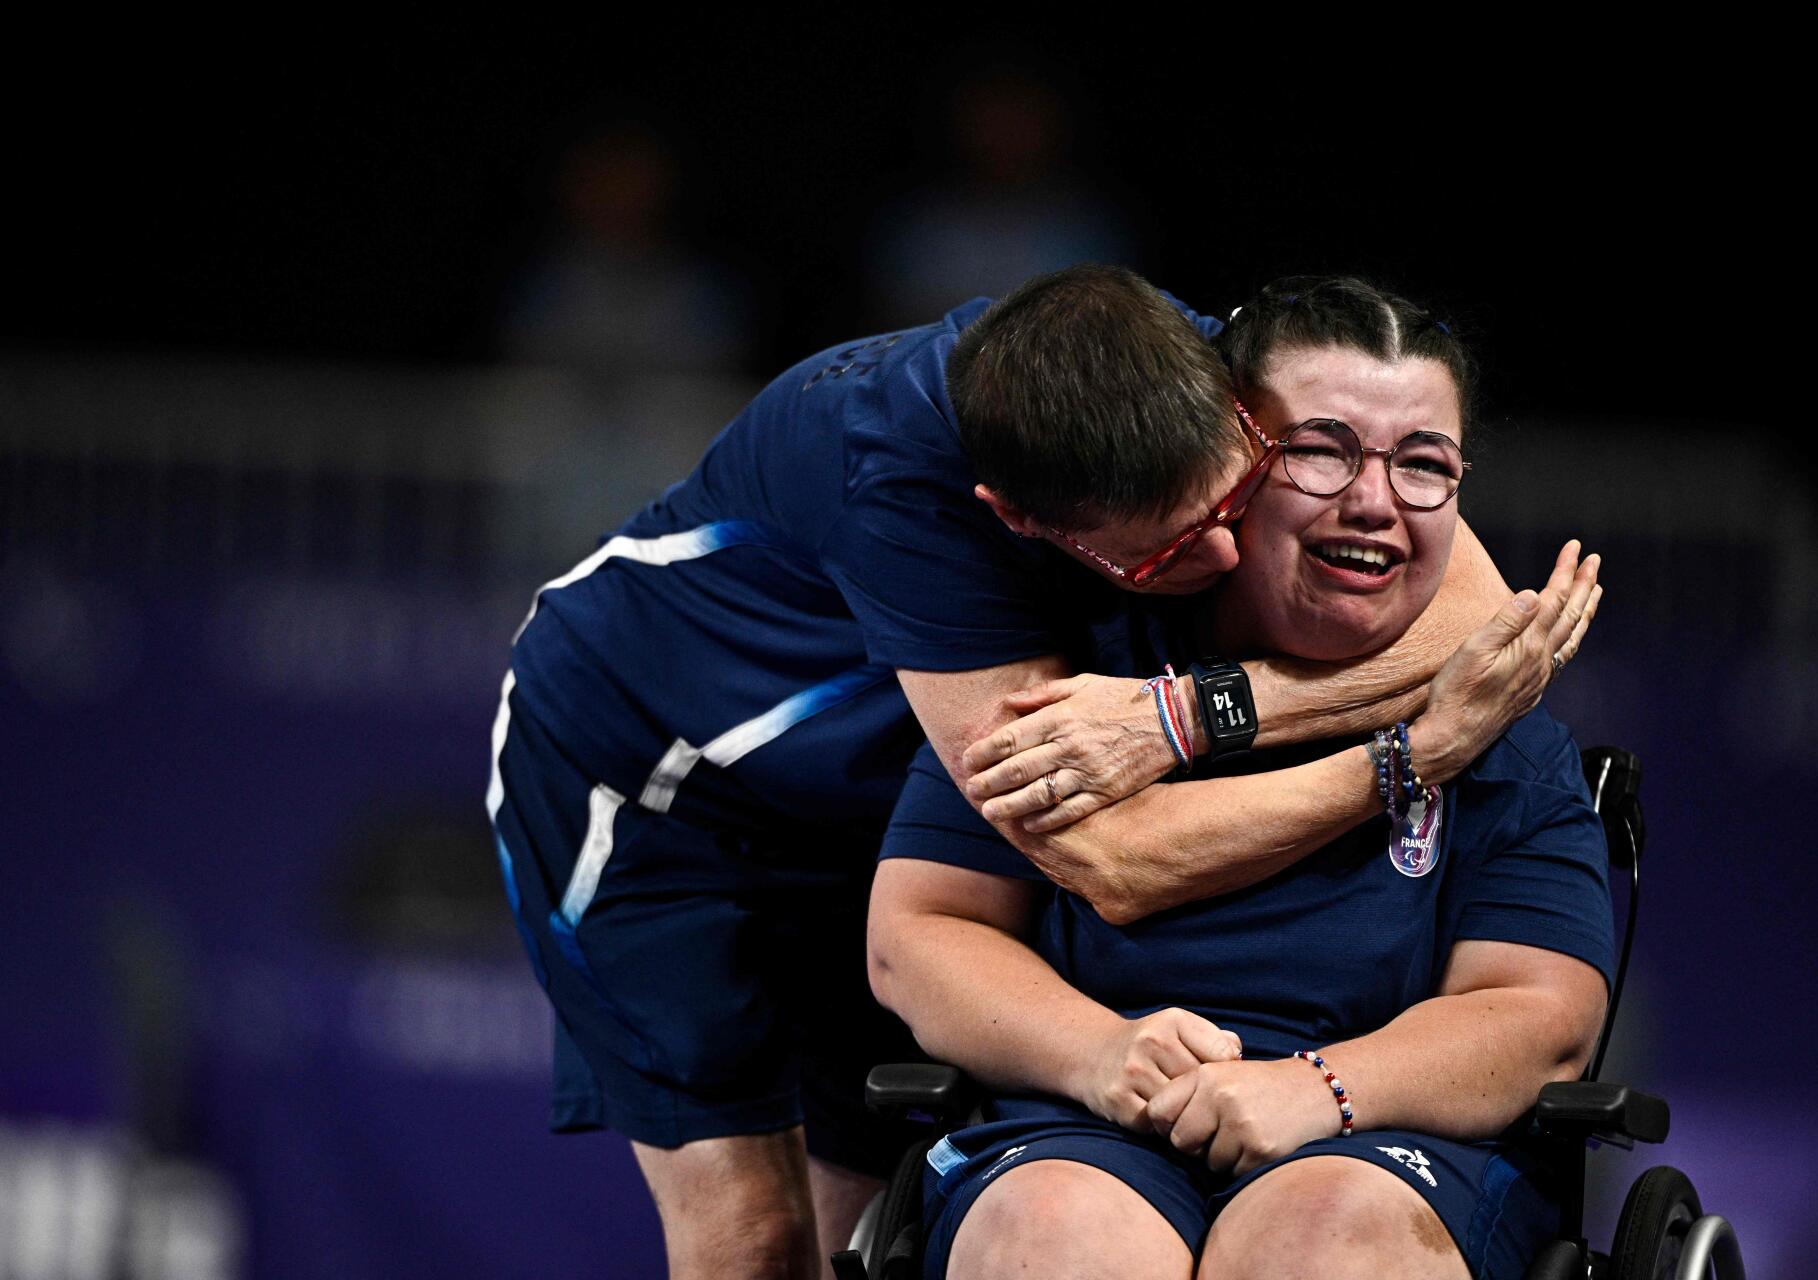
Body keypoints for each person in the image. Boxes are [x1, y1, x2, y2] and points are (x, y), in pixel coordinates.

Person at [487, 265, 1587, 1278]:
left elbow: (1491, 617)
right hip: (655, 797)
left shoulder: (1210, 364)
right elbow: (1111, 862)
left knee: (855, 1216)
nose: (1220, 556)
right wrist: (1398, 757)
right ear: (1022, 524)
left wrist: (1190, 714)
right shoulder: (917, 511)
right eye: (1166, 555)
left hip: (862, 792)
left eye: (1236, 498)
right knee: (756, 1235)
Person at [867, 277, 1613, 1280]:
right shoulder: (1070, 686)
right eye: (1320, 449)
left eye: (1425, 464)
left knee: (1324, 1231)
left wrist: (1323, 1087)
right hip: (1088, 1120)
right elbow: (922, 935)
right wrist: (1098, 1054)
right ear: (1229, 459)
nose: (1376, 500)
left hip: (1385, 1145)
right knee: (1052, 1229)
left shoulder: (1504, 735)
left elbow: (1539, 1014)